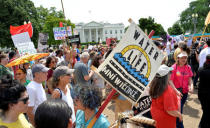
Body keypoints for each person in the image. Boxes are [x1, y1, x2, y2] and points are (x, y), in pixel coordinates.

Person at [170, 52, 193, 128]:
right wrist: (176, 91)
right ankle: (179, 125)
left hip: (185, 92)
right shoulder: (173, 67)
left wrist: (191, 85)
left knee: (180, 110)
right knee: (179, 111)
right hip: (176, 93)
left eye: (185, 58)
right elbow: (170, 81)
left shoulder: (188, 67)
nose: (184, 59)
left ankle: (177, 124)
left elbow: (190, 78)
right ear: (178, 58)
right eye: (182, 58)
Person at [197, 54, 210, 128]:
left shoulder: (201, 69)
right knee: (206, 112)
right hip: (207, 95)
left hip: (201, 94)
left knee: (205, 110)